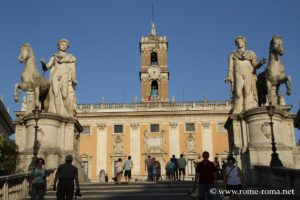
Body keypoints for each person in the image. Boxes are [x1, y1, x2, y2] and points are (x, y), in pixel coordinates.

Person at [226, 36, 266, 113]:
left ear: (244, 42)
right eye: (237, 42)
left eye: (240, 41)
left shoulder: (251, 53)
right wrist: (229, 76)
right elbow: (230, 68)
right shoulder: (232, 55)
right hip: (238, 73)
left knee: (248, 92)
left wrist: (260, 63)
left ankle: (248, 111)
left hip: (248, 73)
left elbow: (255, 65)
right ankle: (238, 110)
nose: (239, 43)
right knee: (238, 92)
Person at [41, 38, 77, 117]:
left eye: (65, 45)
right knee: (55, 94)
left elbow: (73, 69)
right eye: (62, 44)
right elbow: (46, 67)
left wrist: (74, 79)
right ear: (59, 46)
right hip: (55, 75)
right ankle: (57, 115)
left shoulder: (71, 57)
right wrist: (43, 63)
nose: (64, 46)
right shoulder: (54, 57)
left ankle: (69, 114)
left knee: (64, 95)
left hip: (65, 75)